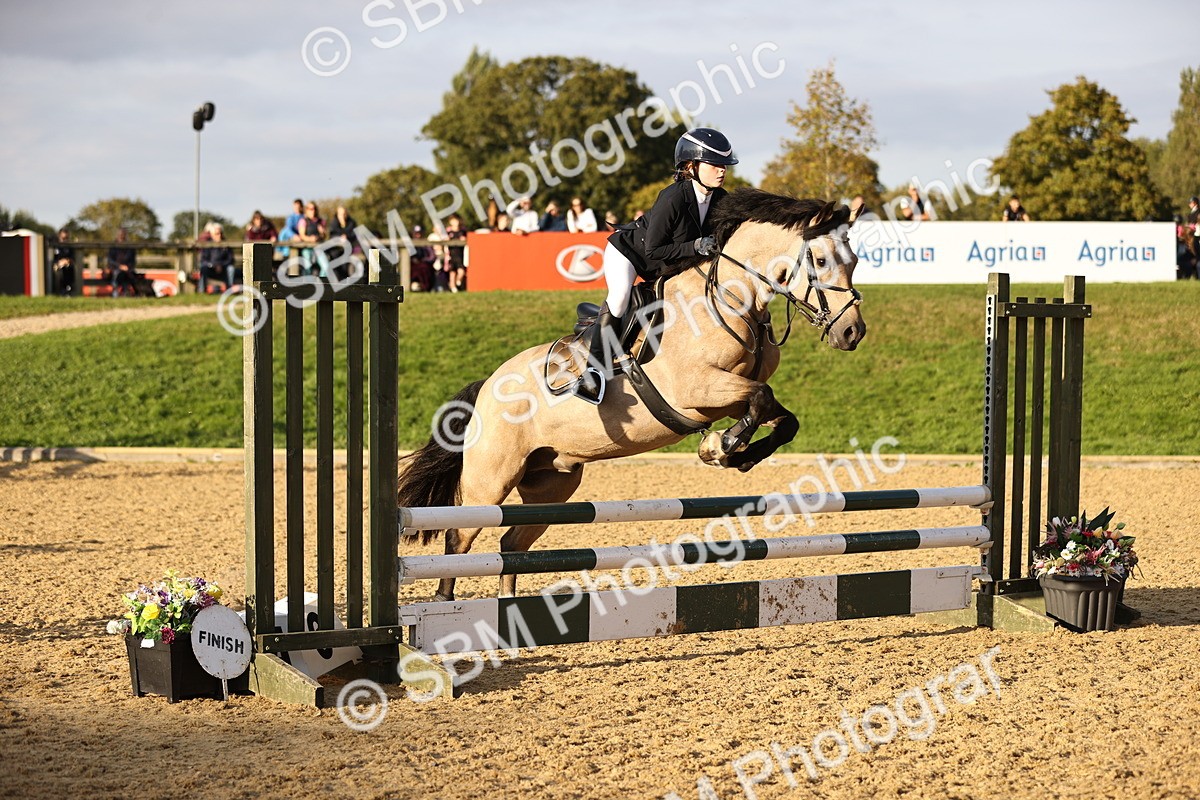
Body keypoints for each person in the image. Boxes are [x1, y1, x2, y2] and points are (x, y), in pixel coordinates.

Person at [572, 127, 736, 404]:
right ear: (691, 166)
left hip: (667, 266)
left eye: (724, 166)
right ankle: (592, 373)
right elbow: (654, 249)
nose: (722, 171)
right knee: (621, 298)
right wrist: (695, 247)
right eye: (715, 164)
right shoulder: (672, 197)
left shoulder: (720, 199)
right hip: (630, 254)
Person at [198, 223, 235, 293]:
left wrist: (221, 265)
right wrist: (214, 265)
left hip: (223, 268)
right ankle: (201, 291)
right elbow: (204, 260)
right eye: (217, 233)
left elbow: (230, 259)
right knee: (203, 268)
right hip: (210, 268)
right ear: (212, 234)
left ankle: (229, 291)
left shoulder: (226, 244)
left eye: (221, 233)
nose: (219, 235)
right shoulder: (207, 244)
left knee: (231, 269)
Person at [327, 206, 361, 280]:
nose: (343, 216)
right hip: (335, 251)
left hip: (349, 250)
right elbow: (332, 235)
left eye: (344, 214)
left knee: (347, 268)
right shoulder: (334, 223)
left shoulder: (351, 222)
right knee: (336, 269)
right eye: (341, 214)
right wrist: (340, 238)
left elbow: (354, 234)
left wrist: (347, 236)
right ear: (337, 214)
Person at [297, 201, 328, 276]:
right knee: (307, 267)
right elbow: (302, 236)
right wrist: (310, 239)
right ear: (306, 210)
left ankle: (322, 283)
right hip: (307, 248)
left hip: (318, 248)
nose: (312, 210)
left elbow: (324, 236)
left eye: (314, 208)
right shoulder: (303, 221)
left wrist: (322, 234)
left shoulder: (321, 221)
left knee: (326, 267)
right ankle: (307, 286)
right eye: (310, 209)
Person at [107, 228, 138, 297]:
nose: (122, 236)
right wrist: (119, 266)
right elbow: (110, 260)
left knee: (130, 277)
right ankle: (115, 295)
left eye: (123, 235)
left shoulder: (130, 247)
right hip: (115, 268)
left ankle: (127, 294)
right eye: (121, 234)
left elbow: (133, 261)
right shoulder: (113, 246)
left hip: (127, 269)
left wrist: (128, 267)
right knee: (116, 275)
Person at [52, 228, 75, 296]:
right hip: (56, 265)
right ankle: (60, 291)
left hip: (67, 265)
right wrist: (58, 262)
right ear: (59, 236)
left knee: (69, 268)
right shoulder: (54, 245)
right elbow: (51, 258)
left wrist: (67, 260)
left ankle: (68, 290)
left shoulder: (70, 246)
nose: (64, 240)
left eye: (66, 238)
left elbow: (73, 258)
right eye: (63, 238)